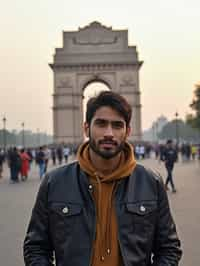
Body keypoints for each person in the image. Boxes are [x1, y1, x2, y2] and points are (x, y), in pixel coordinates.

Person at [24, 91, 182, 266]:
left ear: (127, 131)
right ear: (86, 128)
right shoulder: (53, 182)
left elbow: (169, 249)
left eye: (117, 125)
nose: (109, 133)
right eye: (101, 124)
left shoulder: (151, 182)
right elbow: (35, 248)